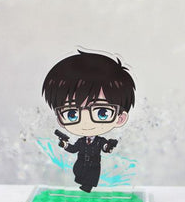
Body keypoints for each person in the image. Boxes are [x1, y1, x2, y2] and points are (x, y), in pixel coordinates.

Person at [42, 49, 136, 192]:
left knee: (88, 184)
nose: (86, 122)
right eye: (72, 114)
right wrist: (65, 144)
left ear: (120, 118)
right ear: (60, 119)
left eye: (102, 112)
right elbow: (73, 149)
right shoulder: (81, 141)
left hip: (93, 166)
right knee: (78, 177)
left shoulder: (100, 141)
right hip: (80, 165)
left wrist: (109, 146)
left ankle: (86, 188)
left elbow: (105, 148)